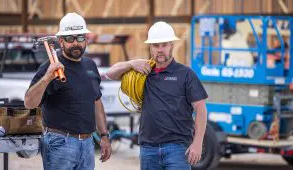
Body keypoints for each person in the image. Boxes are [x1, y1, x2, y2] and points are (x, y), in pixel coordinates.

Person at [106, 21, 208, 170]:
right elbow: (110, 74)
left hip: (177, 149)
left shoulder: (185, 74)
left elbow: (201, 108)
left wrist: (197, 143)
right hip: (148, 149)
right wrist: (131, 63)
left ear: (171, 45)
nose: (160, 50)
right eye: (155, 45)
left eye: (164, 45)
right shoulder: (142, 72)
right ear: (150, 47)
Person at [24, 12, 111, 170]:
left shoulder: (90, 66)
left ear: (85, 39)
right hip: (60, 144)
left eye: (80, 37)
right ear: (61, 41)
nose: (76, 43)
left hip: (87, 143)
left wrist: (104, 135)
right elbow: (29, 103)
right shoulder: (50, 68)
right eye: (70, 39)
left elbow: (96, 101)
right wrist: (46, 79)